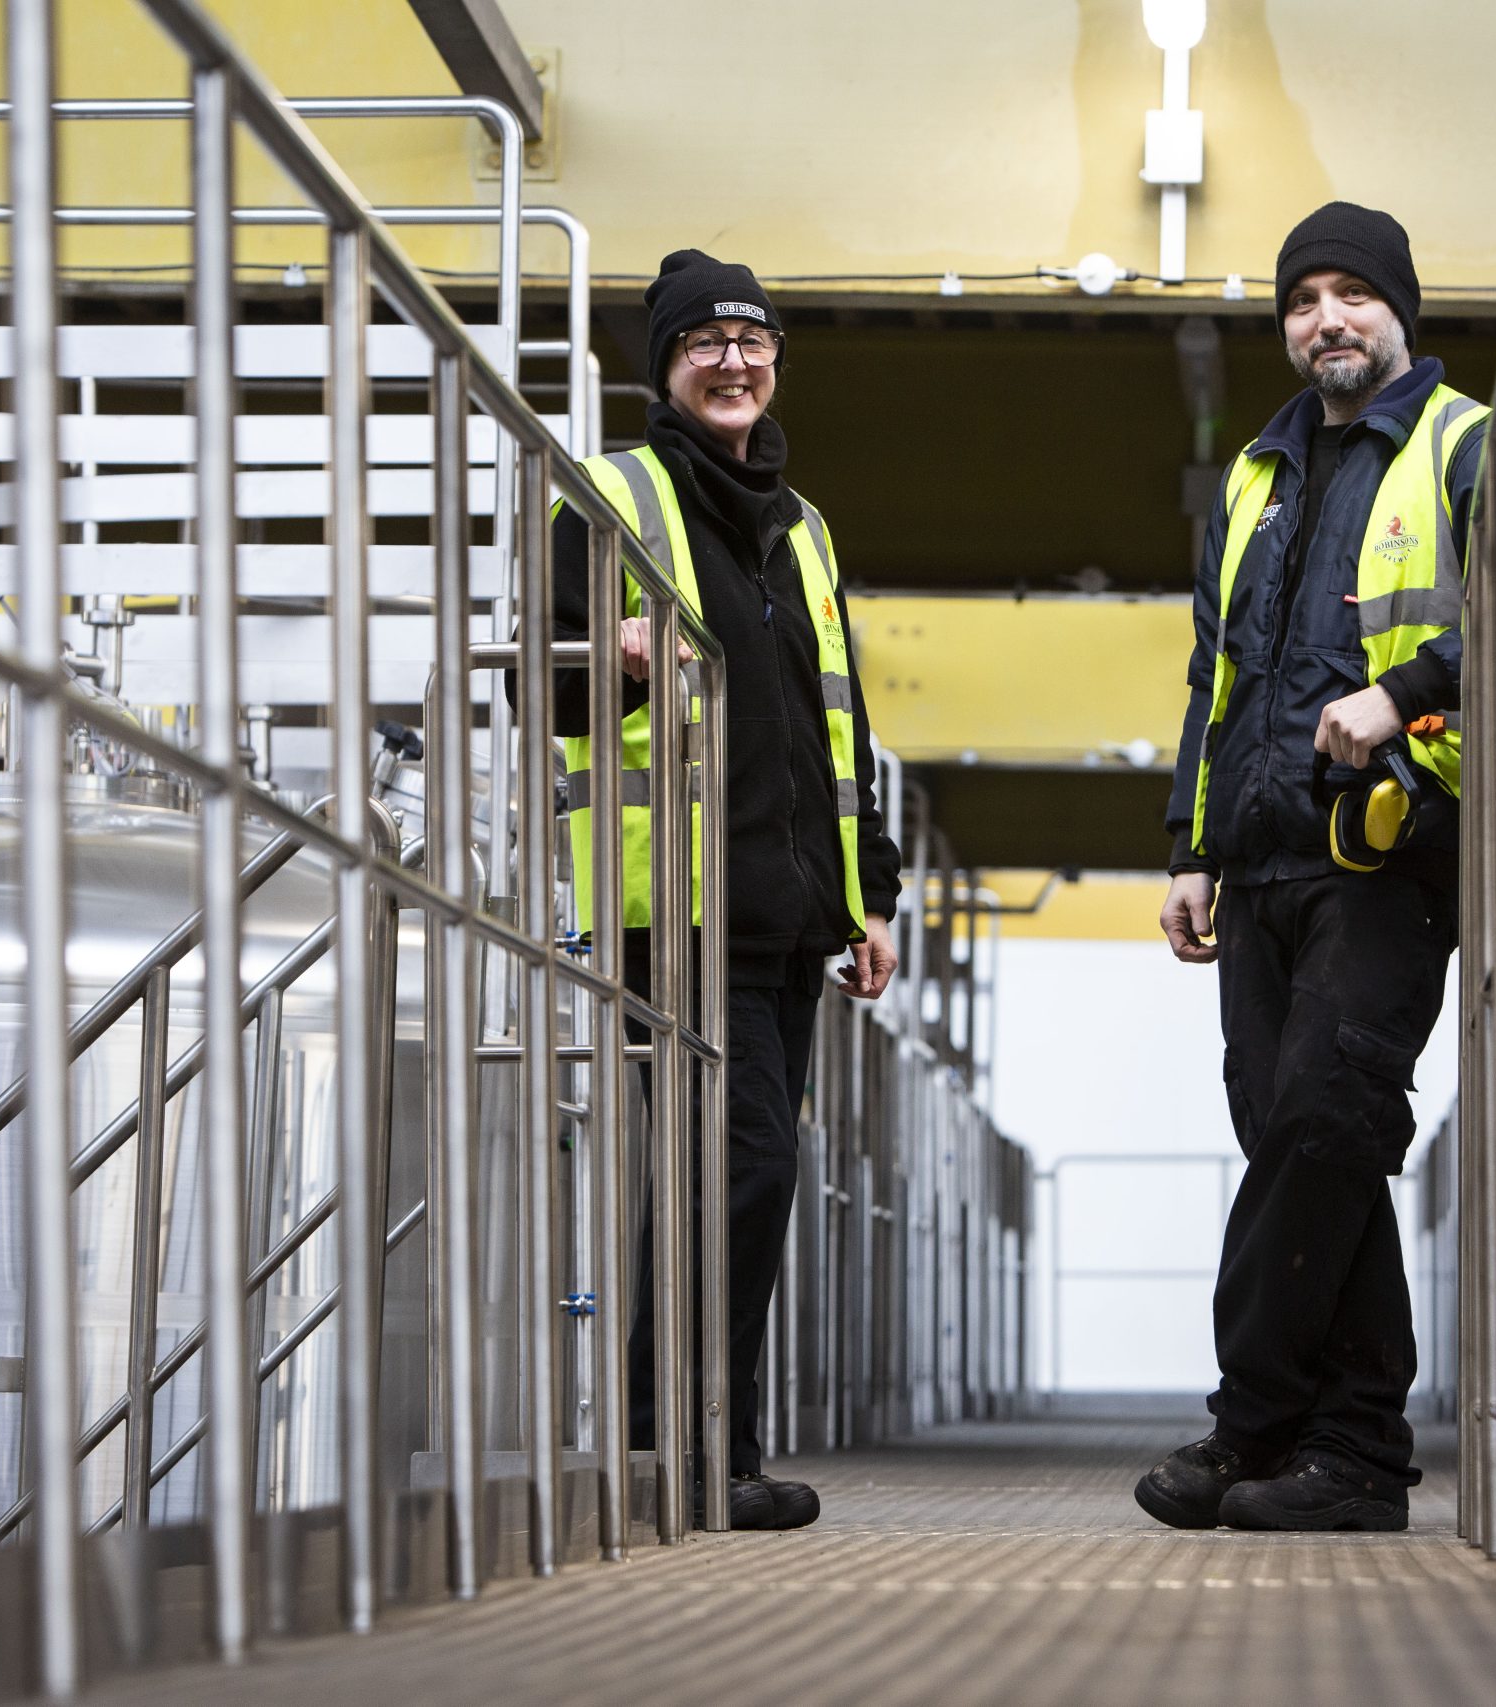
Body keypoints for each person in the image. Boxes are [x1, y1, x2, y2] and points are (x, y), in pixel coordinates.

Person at [1137, 203, 1486, 1534]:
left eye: (1351, 294)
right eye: (1303, 299)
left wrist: (1405, 693)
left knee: (1325, 1120)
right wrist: (1192, 843)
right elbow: (1216, 673)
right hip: (1264, 858)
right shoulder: (1258, 473)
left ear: (1400, 309)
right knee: (1295, 1137)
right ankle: (1350, 1452)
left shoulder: (1466, 444)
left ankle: (1251, 1419)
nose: (1326, 318)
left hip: (1394, 849)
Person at [546, 249, 902, 1530]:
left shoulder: (802, 530)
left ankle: (710, 1449)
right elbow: (547, 680)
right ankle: (672, 1444)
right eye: (707, 343)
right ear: (669, 366)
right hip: (672, 907)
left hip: (787, 913)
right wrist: (619, 664)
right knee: (739, 1166)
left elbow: (835, 729)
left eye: (754, 341)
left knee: (743, 1174)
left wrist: (872, 898)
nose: (735, 360)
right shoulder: (610, 493)